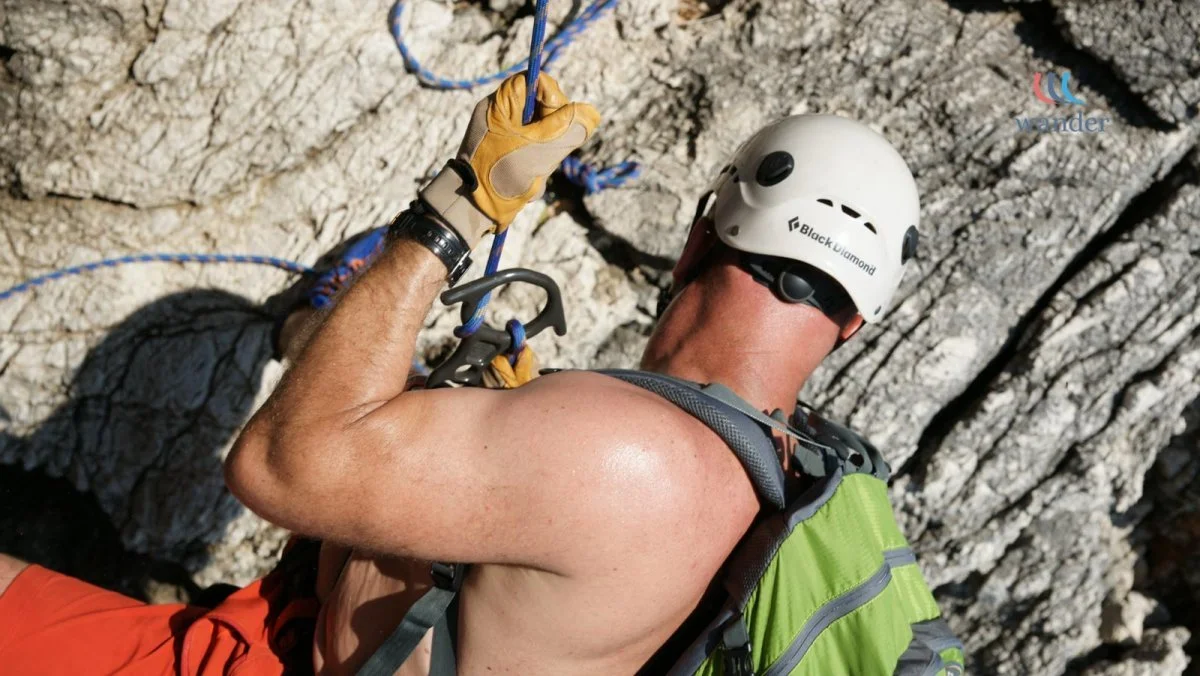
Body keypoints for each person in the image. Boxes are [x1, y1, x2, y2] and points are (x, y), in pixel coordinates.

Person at [0, 70, 925, 675]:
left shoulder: (629, 451)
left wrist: (455, 214)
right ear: (853, 322)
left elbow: (276, 466)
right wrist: (495, 418)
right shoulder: (769, 473)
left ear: (696, 236)